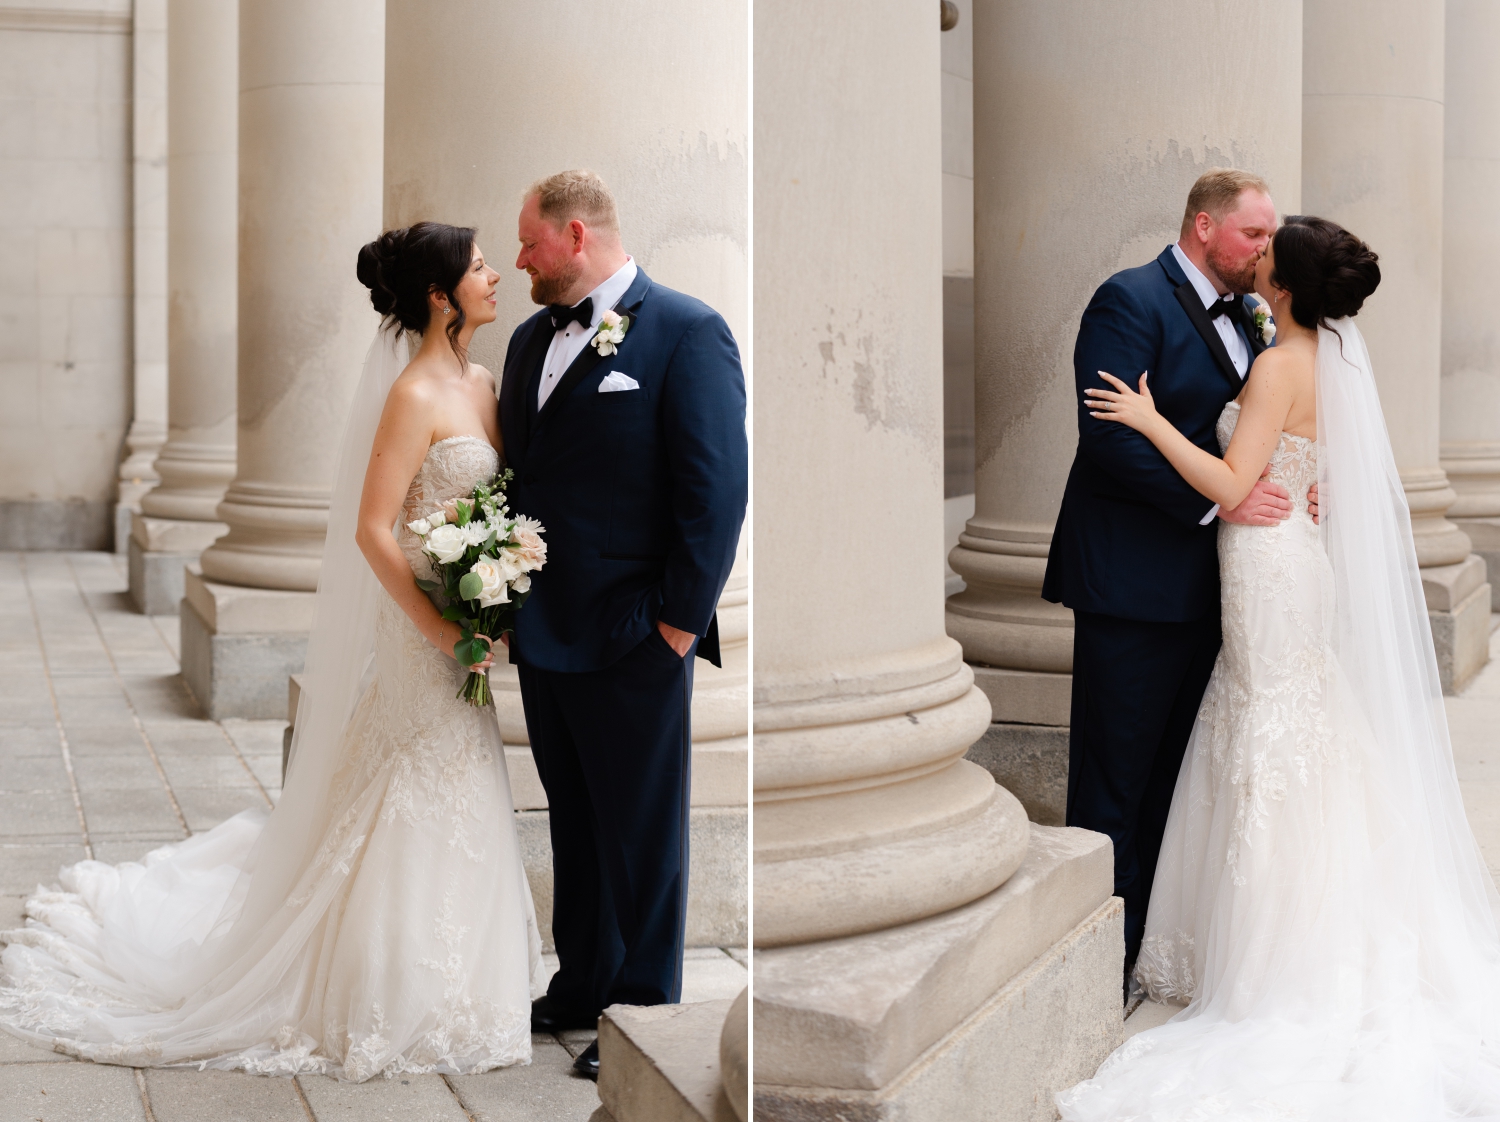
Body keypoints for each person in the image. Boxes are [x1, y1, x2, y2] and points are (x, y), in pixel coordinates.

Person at [0, 222, 546, 1080]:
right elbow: (374, 531)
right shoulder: (410, 396)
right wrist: (443, 625)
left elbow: (492, 509)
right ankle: (383, 988)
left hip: (469, 627)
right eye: (479, 267)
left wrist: (498, 580)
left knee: (463, 780)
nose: (494, 277)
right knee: (409, 783)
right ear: (441, 295)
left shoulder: (484, 380)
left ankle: (464, 984)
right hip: (425, 640)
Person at [1058, 216, 1500, 1118]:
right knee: (1294, 727)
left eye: (1265, 254)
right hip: (1292, 553)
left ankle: (1278, 957)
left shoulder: (1277, 362)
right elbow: (1308, 466)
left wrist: (1145, 417)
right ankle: (1313, 928)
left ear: (1285, 286)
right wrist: (1302, 485)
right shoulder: (1330, 360)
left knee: (1270, 730)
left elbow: (1230, 484)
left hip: (1266, 560)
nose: (1253, 261)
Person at [498, 171, 747, 1080]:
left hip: (639, 633)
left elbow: (714, 493)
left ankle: (643, 1009)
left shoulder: (688, 331)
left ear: (573, 235)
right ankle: (584, 979)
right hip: (548, 633)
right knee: (575, 816)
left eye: (528, 242)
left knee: (644, 829)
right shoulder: (530, 341)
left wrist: (678, 626)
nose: (518, 258)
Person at [1043, 169, 1313, 994]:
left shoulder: (1258, 316)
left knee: (1179, 778)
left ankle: (1155, 947)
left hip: (1221, 591)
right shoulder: (1128, 300)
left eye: (1270, 237)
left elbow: (1266, 432)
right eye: (1252, 236)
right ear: (1203, 226)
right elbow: (1112, 441)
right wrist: (1224, 503)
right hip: (1133, 581)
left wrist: (1302, 480)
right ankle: (1098, 963)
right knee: (1114, 778)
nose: (1265, 251)